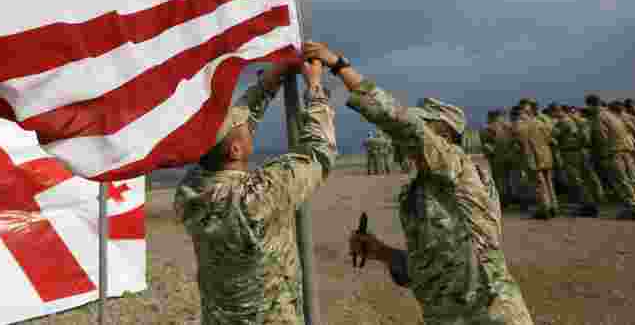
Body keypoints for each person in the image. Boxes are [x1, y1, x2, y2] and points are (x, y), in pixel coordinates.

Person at [301, 41, 534, 325]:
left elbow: (402, 124)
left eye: (425, 128)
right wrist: (379, 251)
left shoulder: (460, 170)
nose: (408, 139)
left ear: (445, 136)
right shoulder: (421, 188)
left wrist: (338, 66)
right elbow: (432, 269)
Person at [174, 58, 337, 325]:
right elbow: (319, 151)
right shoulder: (258, 196)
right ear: (235, 150)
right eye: (246, 129)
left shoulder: (189, 192)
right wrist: (315, 87)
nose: (251, 127)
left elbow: (243, 115)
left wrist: (269, 82)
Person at [584, 95, 635, 220]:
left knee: (621, 180)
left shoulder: (598, 118)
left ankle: (633, 207)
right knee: (634, 178)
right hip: (627, 150)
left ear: (590, 105)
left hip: (613, 151)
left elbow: (601, 138)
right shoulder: (613, 115)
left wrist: (599, 155)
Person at [551, 105, 603, 217]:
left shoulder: (563, 122)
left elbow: (553, 136)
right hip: (581, 151)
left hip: (570, 152)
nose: (554, 114)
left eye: (555, 111)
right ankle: (591, 203)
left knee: (576, 180)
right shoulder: (579, 121)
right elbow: (585, 137)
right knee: (586, 178)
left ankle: (587, 206)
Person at [513, 104, 557, 219]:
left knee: (539, 183)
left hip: (533, 156)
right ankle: (554, 206)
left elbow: (518, 139)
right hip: (545, 154)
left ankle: (544, 208)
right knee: (548, 182)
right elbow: (550, 136)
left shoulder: (520, 124)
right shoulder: (540, 122)